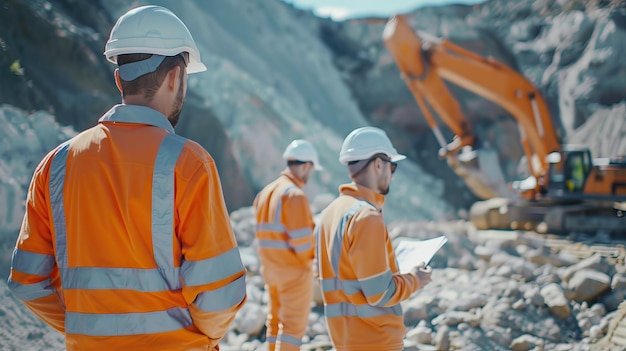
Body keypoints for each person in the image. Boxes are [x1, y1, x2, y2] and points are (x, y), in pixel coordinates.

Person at [6, 6, 247, 351]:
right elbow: (220, 294)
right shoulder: (189, 163)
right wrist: (201, 338)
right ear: (175, 76)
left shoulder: (55, 165)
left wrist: (86, 328)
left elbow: (27, 282)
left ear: (119, 80)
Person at [315, 126, 432, 351]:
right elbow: (380, 294)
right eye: (392, 166)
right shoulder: (366, 216)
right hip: (375, 340)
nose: (392, 174)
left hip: (345, 340)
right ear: (379, 164)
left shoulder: (330, 213)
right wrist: (415, 279)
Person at [253, 139, 322, 351]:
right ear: (306, 166)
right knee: (292, 329)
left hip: (271, 271)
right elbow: (303, 247)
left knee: (274, 323)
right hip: (293, 274)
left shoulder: (266, 192)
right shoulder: (295, 195)